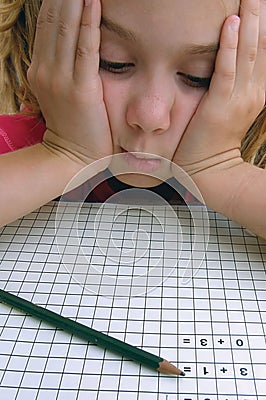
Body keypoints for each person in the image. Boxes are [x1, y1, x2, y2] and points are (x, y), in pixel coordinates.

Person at [0, 0, 265, 237]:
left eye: (199, 76)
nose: (151, 116)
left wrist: (221, 170)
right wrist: (64, 153)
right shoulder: (15, 148)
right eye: (114, 62)